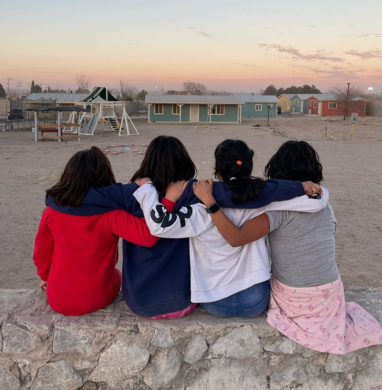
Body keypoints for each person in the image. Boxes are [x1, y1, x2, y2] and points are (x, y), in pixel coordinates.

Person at [45, 136, 314, 318]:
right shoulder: (194, 190)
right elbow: (258, 190)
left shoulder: (132, 193)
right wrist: (299, 186)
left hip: (138, 302)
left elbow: (90, 197)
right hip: (181, 302)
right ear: (185, 161)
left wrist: (57, 197)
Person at [193, 140, 382, 353]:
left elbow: (236, 238)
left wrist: (210, 202)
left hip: (296, 299)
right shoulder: (324, 205)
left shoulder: (277, 211)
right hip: (330, 295)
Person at [134, 139, 326, 318]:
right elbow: (310, 203)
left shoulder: (199, 206)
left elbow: (160, 227)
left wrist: (148, 192)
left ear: (216, 167)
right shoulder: (263, 202)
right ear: (249, 168)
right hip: (255, 299)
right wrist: (311, 190)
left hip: (214, 300)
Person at [33, 146, 160, 316]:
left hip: (57, 297)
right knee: (117, 274)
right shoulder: (112, 214)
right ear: (104, 176)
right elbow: (148, 237)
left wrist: (44, 276)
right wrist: (150, 205)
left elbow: (42, 251)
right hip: (97, 296)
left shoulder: (51, 211)